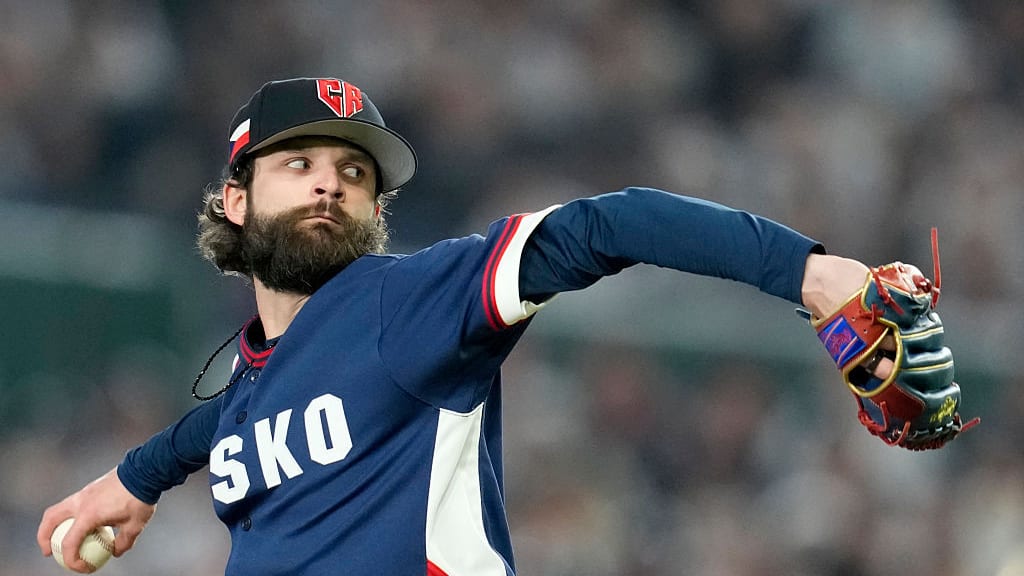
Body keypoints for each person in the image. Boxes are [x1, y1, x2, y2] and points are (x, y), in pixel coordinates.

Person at [37, 77, 896, 575]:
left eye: (354, 173)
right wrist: (141, 474)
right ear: (236, 201)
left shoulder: (407, 301)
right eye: (298, 163)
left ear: (375, 211)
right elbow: (237, 416)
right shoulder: (257, 373)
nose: (330, 183)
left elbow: (603, 226)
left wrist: (808, 272)